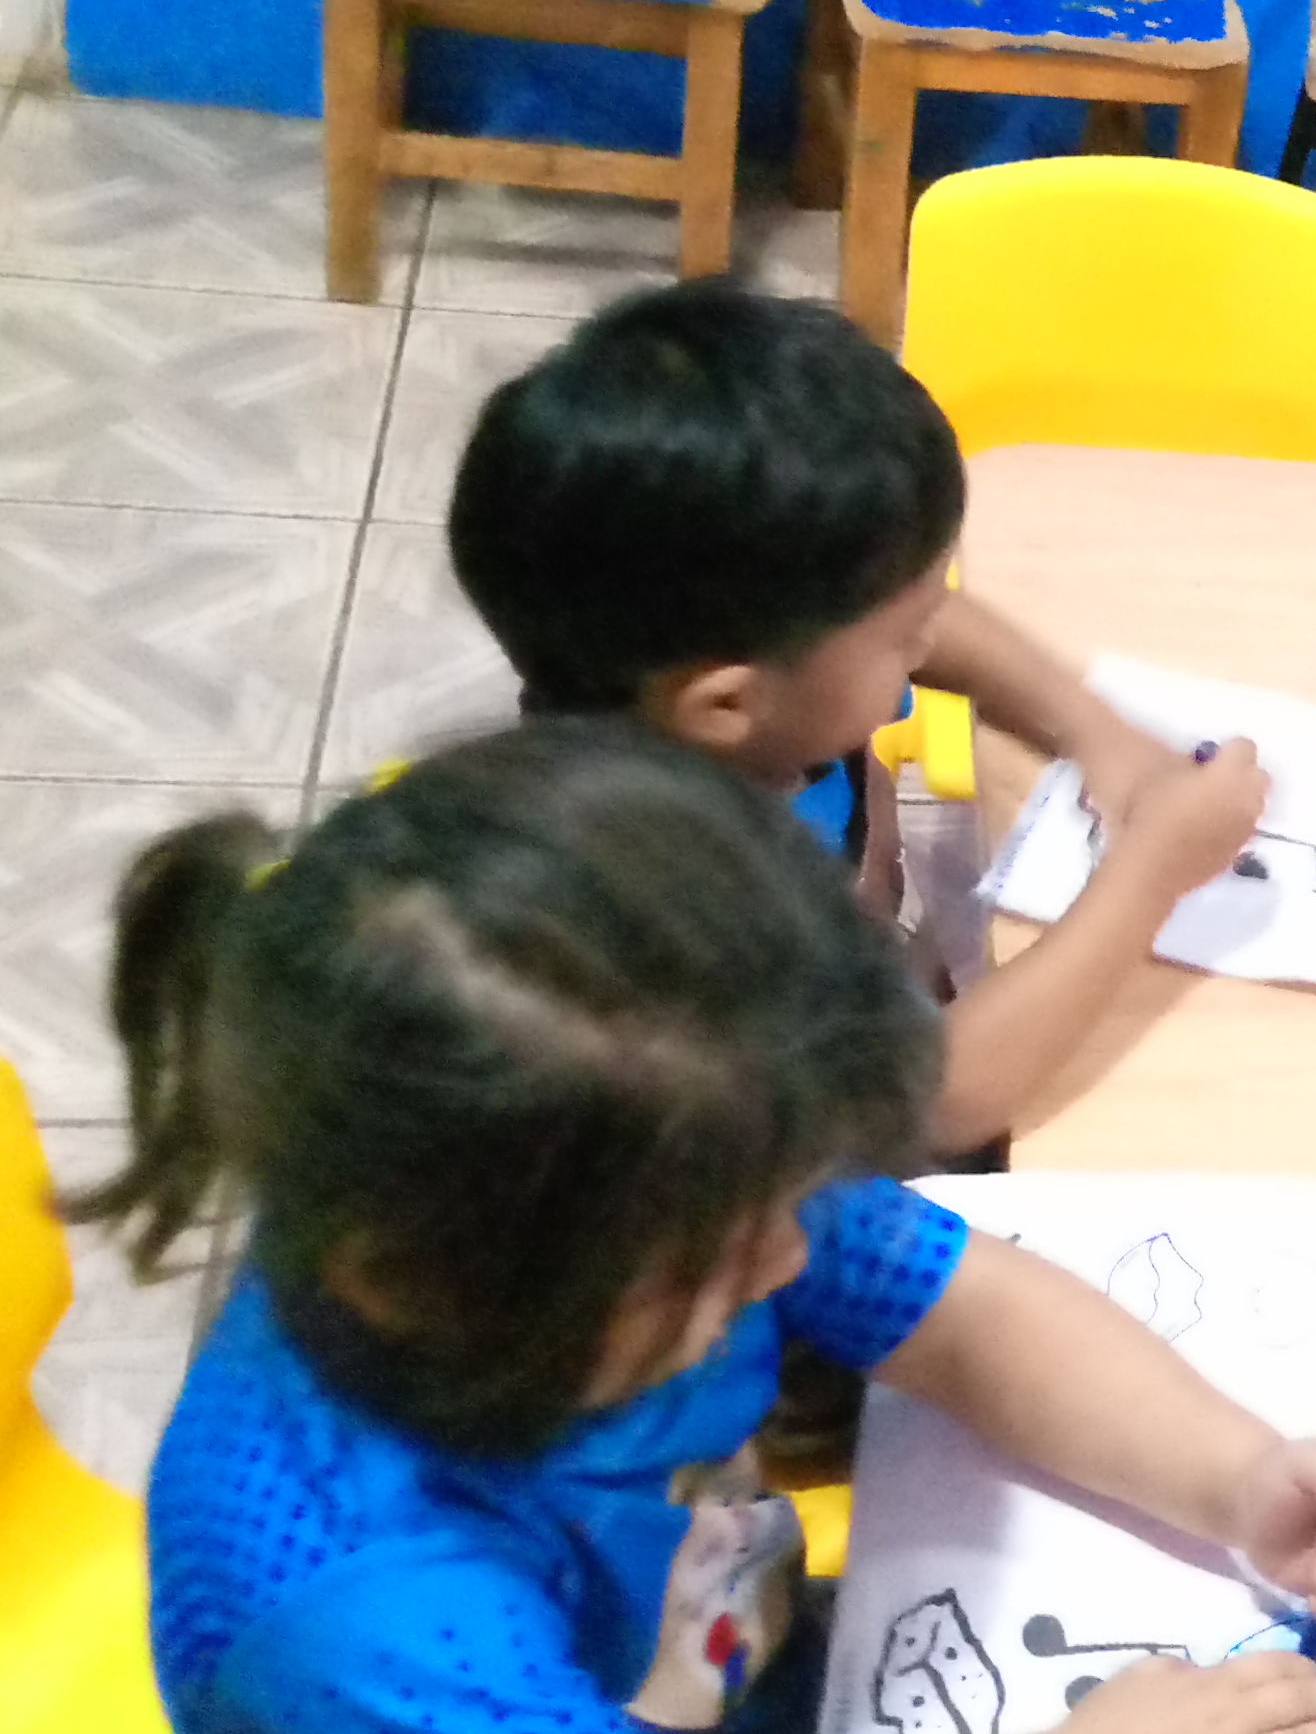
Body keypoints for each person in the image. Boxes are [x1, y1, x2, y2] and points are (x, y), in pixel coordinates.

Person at [75, 724, 1316, 1734]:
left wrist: (1232, 1473)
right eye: (723, 1257)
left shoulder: (657, 1172)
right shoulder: (345, 1575)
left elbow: (964, 1308)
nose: (788, 1257)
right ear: (449, 1283)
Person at [448, 281, 1268, 1152]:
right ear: (727, 704)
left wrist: (1092, 730)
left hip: (875, 977)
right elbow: (940, 1099)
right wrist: (1149, 873)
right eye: (904, 638)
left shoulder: (751, 691)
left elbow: (913, 611)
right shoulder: (681, 924)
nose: (928, 638)